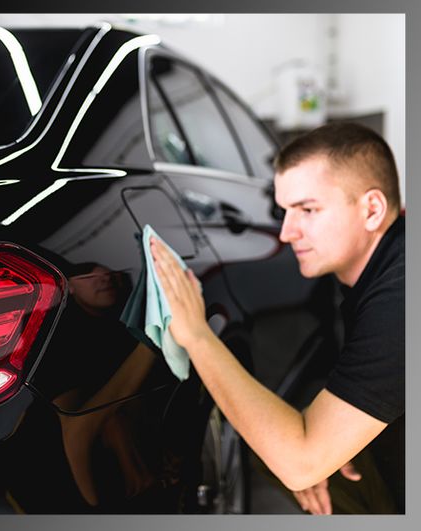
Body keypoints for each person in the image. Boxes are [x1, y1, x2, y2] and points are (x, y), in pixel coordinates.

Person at [150, 122, 404, 514]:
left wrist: (197, 335)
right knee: (283, 447)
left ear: (372, 209)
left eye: (308, 209)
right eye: (285, 210)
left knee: (292, 456)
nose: (286, 233)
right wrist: (336, 442)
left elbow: (300, 465)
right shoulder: (382, 261)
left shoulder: (401, 295)